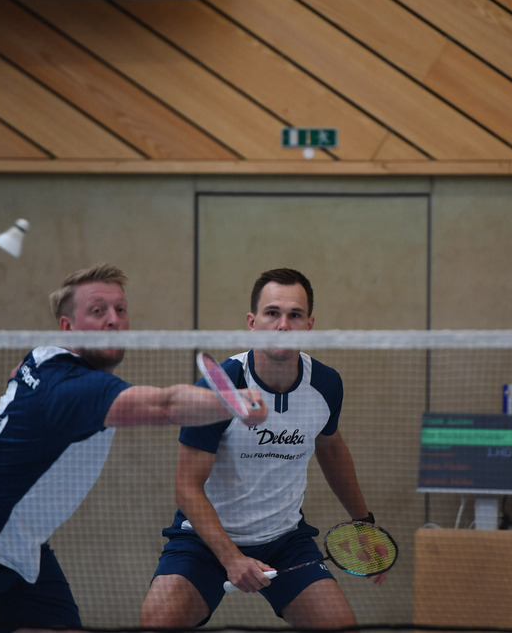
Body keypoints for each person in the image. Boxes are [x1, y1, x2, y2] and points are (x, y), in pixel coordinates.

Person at [0, 262, 267, 633]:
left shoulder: (42, 357)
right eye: (97, 310)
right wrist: (232, 402)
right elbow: (164, 406)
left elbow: (17, 373)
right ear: (67, 326)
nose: (113, 321)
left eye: (120, 310)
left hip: (19, 550)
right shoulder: (74, 390)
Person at [140, 268, 377, 630]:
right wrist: (231, 558)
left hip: (285, 540)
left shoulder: (326, 385)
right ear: (252, 322)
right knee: (157, 623)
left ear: (309, 324)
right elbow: (187, 486)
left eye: (294, 315)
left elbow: (330, 448)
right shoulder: (220, 386)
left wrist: (363, 521)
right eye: (272, 313)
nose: (283, 324)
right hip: (205, 541)